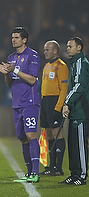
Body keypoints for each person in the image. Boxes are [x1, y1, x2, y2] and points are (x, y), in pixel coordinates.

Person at [0, 27, 40, 183]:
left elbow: (33, 79)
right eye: (12, 37)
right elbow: (9, 83)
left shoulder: (32, 56)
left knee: (31, 135)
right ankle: (28, 173)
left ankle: (35, 173)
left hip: (30, 102)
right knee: (22, 138)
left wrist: (16, 70)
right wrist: (7, 73)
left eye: (16, 37)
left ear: (24, 39)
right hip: (17, 103)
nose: (13, 39)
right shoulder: (11, 57)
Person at [60, 37, 89, 185]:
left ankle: (82, 176)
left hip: (81, 112)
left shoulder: (80, 63)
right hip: (75, 110)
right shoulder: (75, 64)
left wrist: (66, 103)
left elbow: (79, 86)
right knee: (73, 144)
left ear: (79, 48)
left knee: (81, 145)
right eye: (67, 46)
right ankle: (74, 173)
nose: (67, 48)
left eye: (70, 46)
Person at [40, 40, 69, 176]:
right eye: (44, 50)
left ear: (55, 51)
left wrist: (59, 107)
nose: (44, 52)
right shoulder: (46, 66)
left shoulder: (61, 66)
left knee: (58, 133)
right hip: (45, 101)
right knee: (49, 134)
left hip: (55, 101)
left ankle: (58, 168)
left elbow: (64, 89)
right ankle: (51, 166)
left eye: (47, 50)